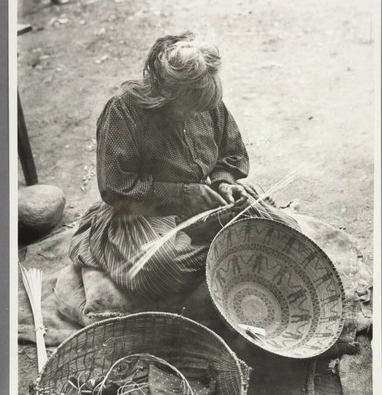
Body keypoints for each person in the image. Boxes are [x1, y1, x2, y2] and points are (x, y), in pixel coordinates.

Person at [69, 32, 253, 302]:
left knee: (261, 220)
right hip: (140, 212)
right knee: (160, 265)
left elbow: (230, 152)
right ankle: (217, 254)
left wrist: (224, 182)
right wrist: (181, 194)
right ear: (166, 94)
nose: (195, 115)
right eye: (189, 109)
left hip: (202, 202)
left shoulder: (205, 101)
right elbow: (116, 189)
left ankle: (217, 251)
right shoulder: (124, 111)